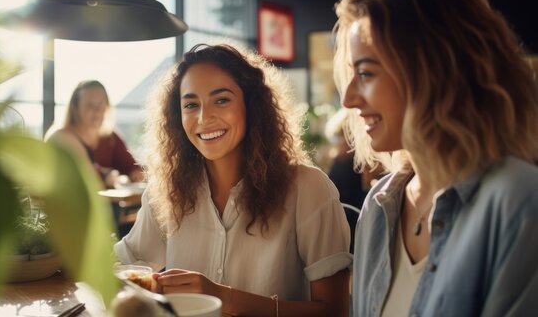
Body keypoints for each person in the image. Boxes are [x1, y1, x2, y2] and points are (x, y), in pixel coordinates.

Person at [333, 0, 538, 317]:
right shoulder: (380, 205)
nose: (349, 99)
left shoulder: (520, 201)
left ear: (433, 71)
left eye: (366, 73)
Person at [114, 44, 352, 316]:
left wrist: (223, 297)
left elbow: (335, 311)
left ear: (251, 105)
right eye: (191, 105)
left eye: (222, 100)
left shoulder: (309, 189)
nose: (204, 118)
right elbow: (126, 267)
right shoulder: (165, 191)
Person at [45, 80, 144, 187]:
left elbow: (133, 167)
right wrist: (109, 177)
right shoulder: (61, 137)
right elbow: (86, 176)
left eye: (101, 104)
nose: (96, 111)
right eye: (89, 105)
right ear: (75, 107)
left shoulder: (110, 137)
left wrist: (134, 174)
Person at [325, 108, 384, 251]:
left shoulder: (348, 164)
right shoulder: (350, 163)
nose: (338, 143)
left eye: (339, 138)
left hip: (350, 231)